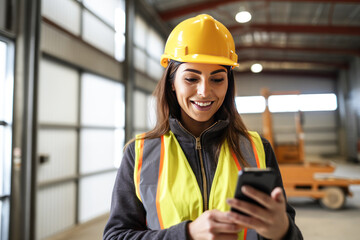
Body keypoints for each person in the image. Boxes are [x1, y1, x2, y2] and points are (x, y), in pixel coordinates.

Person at [103, 14, 303, 240]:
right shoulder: (140, 153)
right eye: (191, 79)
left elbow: (290, 234)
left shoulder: (257, 148)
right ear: (172, 82)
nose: (204, 92)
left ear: (228, 84)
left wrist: (282, 232)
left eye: (217, 79)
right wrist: (186, 234)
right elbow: (116, 236)